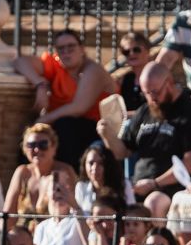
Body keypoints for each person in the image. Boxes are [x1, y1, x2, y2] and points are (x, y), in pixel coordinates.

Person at [98, 61, 191, 220]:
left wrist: (155, 183)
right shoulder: (145, 110)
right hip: (139, 185)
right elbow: (122, 151)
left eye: (155, 92)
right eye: (146, 93)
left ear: (169, 83)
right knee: (105, 205)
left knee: (153, 203)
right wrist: (107, 135)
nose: (152, 98)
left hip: (173, 186)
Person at [14, 27, 115, 166]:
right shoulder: (55, 65)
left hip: (98, 129)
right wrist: (40, 84)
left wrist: (45, 119)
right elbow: (20, 62)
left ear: (82, 49)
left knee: (63, 127)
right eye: (61, 48)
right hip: (61, 125)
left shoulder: (93, 70)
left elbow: (79, 107)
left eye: (71, 47)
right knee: (34, 136)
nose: (66, 52)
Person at [32, 173, 94, 245]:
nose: (59, 193)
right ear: (46, 194)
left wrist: (76, 207)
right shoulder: (41, 228)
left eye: (65, 189)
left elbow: (90, 242)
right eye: (54, 189)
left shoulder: (82, 217)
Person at [114, 30, 151, 114]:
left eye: (136, 49)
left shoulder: (156, 76)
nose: (131, 54)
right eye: (126, 52)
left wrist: (128, 115)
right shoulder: (126, 80)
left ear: (147, 51)